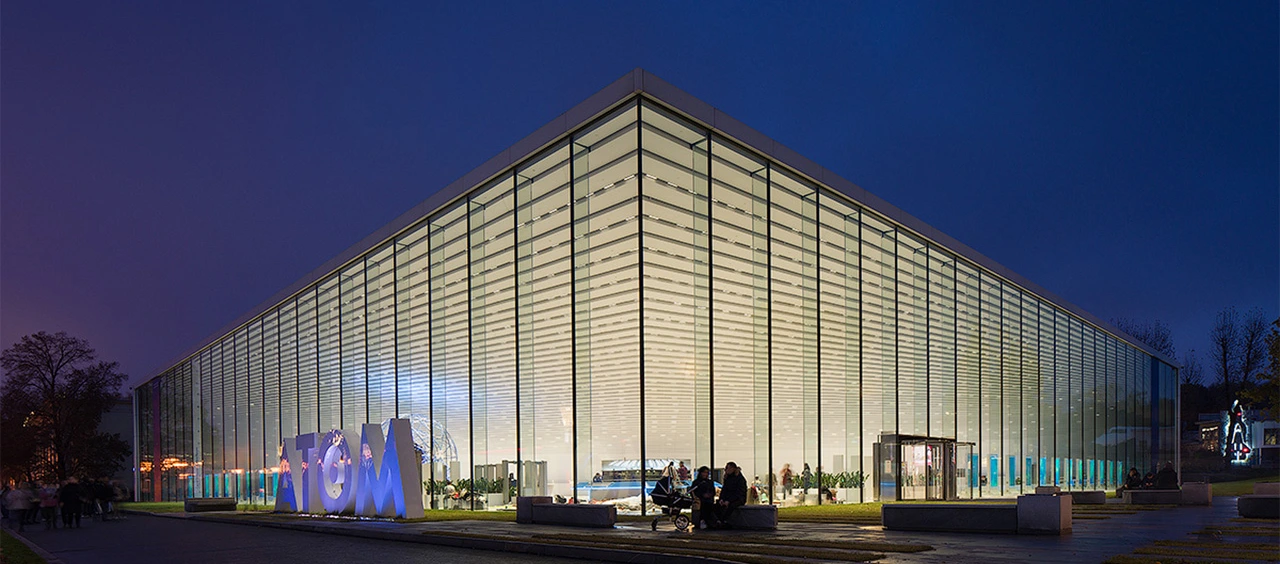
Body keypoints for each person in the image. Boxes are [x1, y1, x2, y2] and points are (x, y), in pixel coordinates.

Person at [715, 461, 747, 528]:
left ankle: (724, 520)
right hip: (728, 498)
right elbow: (724, 490)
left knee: (731, 506)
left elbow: (739, 493)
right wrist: (722, 499)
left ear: (733, 469)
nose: (726, 470)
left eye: (728, 468)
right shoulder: (727, 478)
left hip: (738, 498)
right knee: (717, 505)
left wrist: (729, 500)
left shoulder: (740, 479)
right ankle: (718, 520)